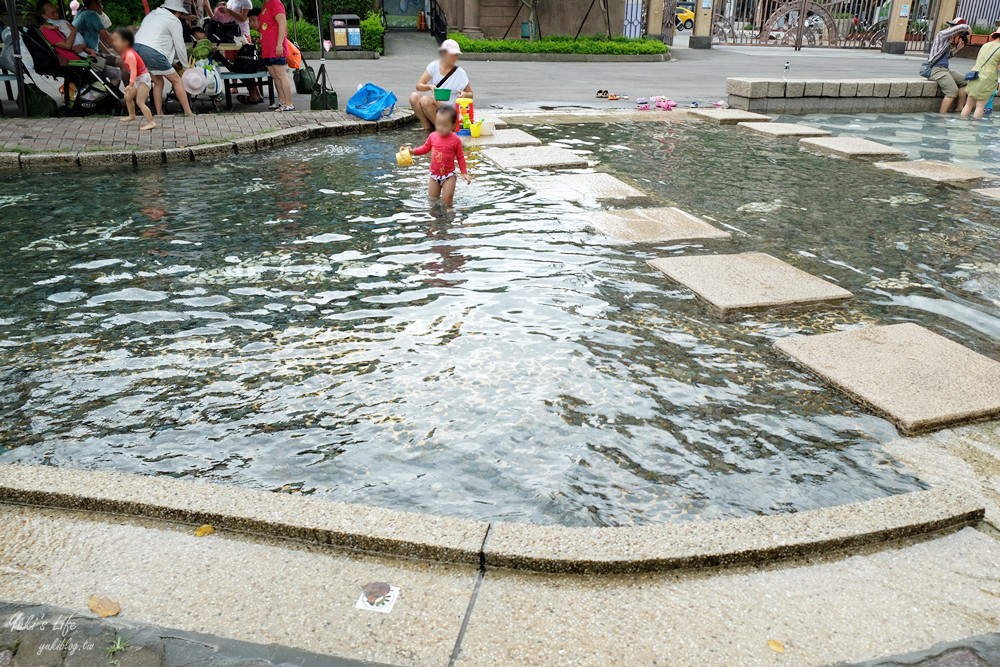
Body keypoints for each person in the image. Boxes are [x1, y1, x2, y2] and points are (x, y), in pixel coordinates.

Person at [400, 106, 471, 208]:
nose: (440, 128)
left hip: (449, 176)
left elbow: (460, 157)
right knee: (432, 200)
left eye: (444, 125)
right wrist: (413, 152)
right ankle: (435, 220)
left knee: (447, 201)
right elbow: (425, 148)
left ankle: (449, 213)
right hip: (434, 176)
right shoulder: (433, 136)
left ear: (453, 125)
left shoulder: (455, 140)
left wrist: (464, 173)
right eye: (438, 124)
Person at [134, 0, 194, 117]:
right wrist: (186, 66)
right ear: (177, 12)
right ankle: (188, 112)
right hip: (152, 51)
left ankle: (160, 113)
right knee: (177, 81)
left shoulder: (152, 14)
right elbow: (179, 45)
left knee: (158, 82)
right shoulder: (174, 20)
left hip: (136, 49)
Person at [409, 38, 472, 132]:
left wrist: (465, 94)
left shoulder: (460, 73)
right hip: (436, 105)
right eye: (452, 55)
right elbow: (419, 85)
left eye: (456, 55)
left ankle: (442, 130)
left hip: (450, 110)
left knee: (425, 100)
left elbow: (471, 94)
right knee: (413, 96)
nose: (455, 58)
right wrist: (429, 87)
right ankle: (428, 127)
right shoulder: (434, 66)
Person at [112, 28, 156, 130]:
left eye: (116, 40)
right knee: (128, 97)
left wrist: (131, 84)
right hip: (137, 79)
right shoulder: (125, 53)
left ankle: (151, 122)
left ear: (126, 42)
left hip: (143, 79)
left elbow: (133, 71)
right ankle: (132, 115)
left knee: (140, 101)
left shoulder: (130, 54)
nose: (114, 43)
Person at [927, 17, 971, 114]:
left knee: (965, 81)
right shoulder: (942, 35)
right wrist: (967, 27)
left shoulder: (948, 40)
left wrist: (958, 48)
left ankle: (959, 108)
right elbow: (959, 28)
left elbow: (947, 56)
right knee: (952, 91)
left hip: (944, 69)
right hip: (935, 70)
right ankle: (942, 115)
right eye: (952, 26)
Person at [258, 0, 293, 111]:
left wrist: (279, 44)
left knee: (281, 75)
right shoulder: (266, 4)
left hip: (275, 46)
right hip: (267, 47)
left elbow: (282, 24)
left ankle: (289, 103)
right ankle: (282, 102)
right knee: (275, 76)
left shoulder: (276, 3)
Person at [961, 30, 1000, 119]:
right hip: (987, 77)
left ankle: (962, 125)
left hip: (974, 74)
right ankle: (974, 129)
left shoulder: (985, 45)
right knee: (980, 106)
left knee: (968, 104)